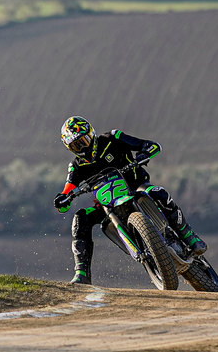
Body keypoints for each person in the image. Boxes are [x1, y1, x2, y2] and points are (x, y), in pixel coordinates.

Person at [52, 115, 205, 285]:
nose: (82, 147)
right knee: (80, 218)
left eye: (84, 140)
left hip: (136, 187)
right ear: (70, 148)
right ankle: (82, 272)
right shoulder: (76, 166)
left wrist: (144, 153)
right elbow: (68, 188)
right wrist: (62, 199)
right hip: (107, 205)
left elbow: (151, 145)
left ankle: (189, 236)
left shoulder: (113, 138)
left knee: (159, 192)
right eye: (76, 145)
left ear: (91, 133)